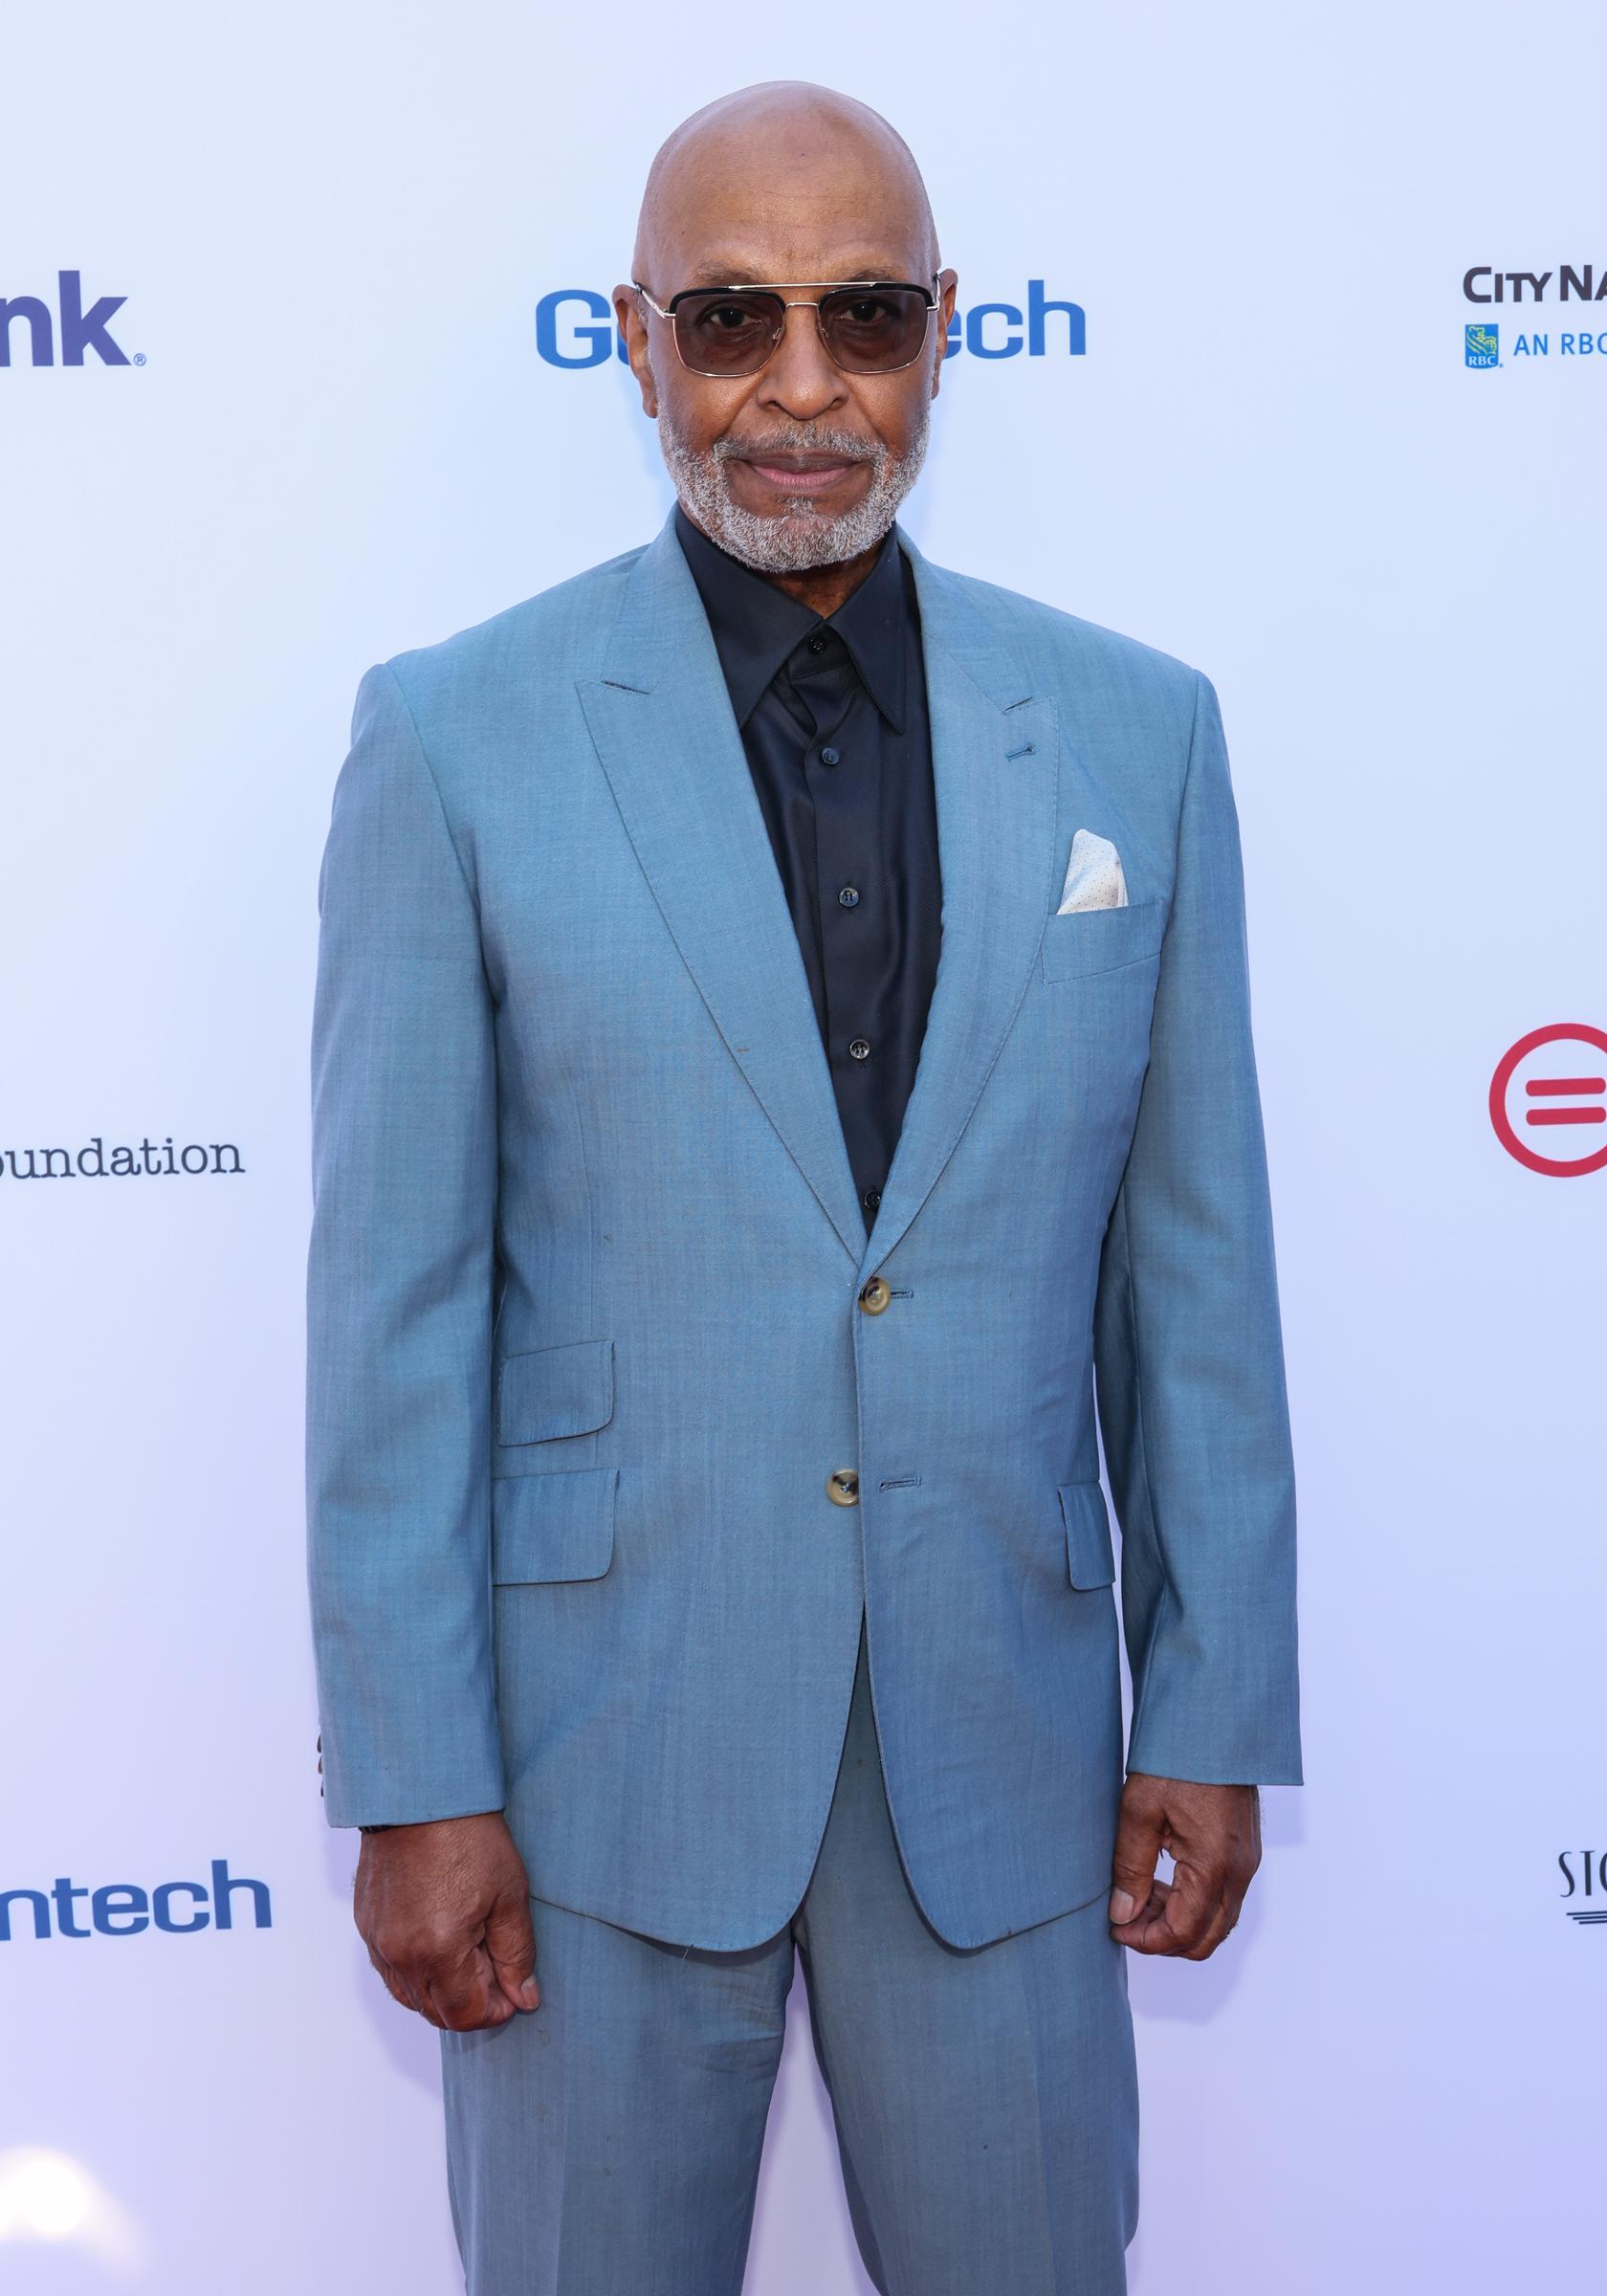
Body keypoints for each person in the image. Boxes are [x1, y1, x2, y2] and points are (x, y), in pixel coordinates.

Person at [305, 77, 1302, 2296]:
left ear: (947, 331)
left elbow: (1193, 1274)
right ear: (635, 341)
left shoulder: (1140, 730)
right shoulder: (457, 736)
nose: (802, 388)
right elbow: (394, 1312)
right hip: (592, 1772)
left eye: (862, 315)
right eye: (734, 317)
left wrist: (1215, 1705)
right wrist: (414, 1777)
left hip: (1008, 1759)